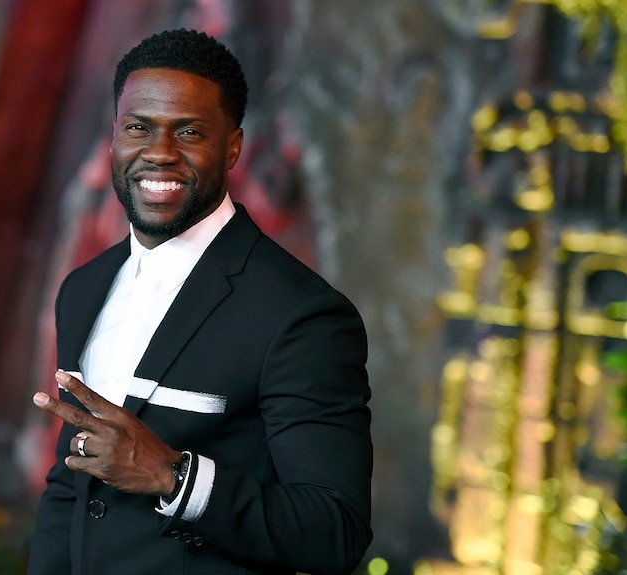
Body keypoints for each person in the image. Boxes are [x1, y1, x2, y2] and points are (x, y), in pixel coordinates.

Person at [27, 28, 372, 575]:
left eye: (188, 132)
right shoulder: (84, 288)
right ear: (114, 138)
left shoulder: (300, 315)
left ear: (233, 147)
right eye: (139, 128)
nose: (159, 153)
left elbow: (333, 530)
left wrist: (173, 476)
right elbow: (70, 487)